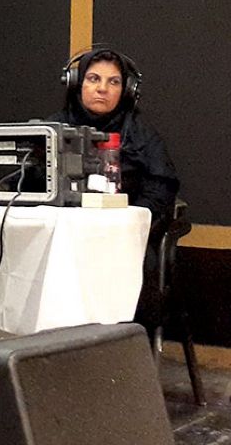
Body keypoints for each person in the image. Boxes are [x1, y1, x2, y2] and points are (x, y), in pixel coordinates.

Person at [49, 46, 178, 331]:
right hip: (61, 240)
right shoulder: (50, 130)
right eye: (94, 79)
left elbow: (161, 191)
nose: (102, 89)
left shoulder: (143, 137)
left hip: (123, 241)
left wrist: (127, 225)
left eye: (114, 82)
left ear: (127, 90)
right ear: (76, 83)